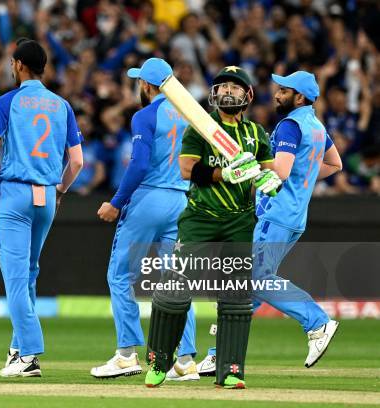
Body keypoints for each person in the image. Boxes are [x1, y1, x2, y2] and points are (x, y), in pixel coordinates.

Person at [0, 39, 83, 378]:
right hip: (47, 197)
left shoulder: (7, 102)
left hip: (14, 195)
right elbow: (78, 162)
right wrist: (61, 189)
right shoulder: (62, 105)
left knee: (15, 279)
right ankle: (17, 350)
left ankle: (29, 355)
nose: (11, 68)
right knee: (29, 274)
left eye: (13, 63)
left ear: (20, 65)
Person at [144, 66, 280, 389]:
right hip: (200, 218)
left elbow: (269, 171)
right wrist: (225, 175)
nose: (227, 92)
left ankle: (231, 370)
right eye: (222, 87)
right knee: (175, 291)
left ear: (247, 95)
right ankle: (159, 362)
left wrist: (272, 179)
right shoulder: (200, 129)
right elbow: (186, 170)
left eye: (235, 87)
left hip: (239, 220)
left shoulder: (257, 134)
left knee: (235, 298)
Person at [90, 58, 198, 380]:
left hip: (149, 198)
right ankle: (186, 359)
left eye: (140, 82)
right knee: (176, 281)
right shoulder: (192, 115)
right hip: (181, 200)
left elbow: (137, 166)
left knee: (120, 275)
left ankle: (126, 355)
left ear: (148, 86)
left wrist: (115, 202)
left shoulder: (145, 115)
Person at [254, 71, 342, 367]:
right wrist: (303, 175)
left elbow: (279, 172)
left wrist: (248, 172)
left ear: (299, 97)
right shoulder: (315, 126)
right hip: (294, 216)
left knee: (256, 279)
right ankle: (219, 354)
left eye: (283, 90)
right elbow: (335, 164)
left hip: (275, 213)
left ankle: (317, 322)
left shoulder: (290, 124)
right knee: (253, 284)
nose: (276, 94)